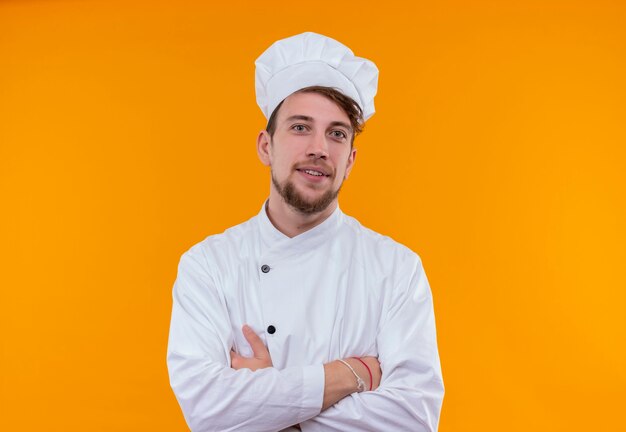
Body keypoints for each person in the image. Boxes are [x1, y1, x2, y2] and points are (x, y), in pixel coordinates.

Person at [167, 32, 444, 432]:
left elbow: (414, 418)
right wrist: (351, 374)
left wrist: (271, 410)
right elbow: (207, 411)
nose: (319, 148)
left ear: (349, 161)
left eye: (336, 133)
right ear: (266, 146)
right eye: (300, 127)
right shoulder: (208, 266)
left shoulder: (396, 269)